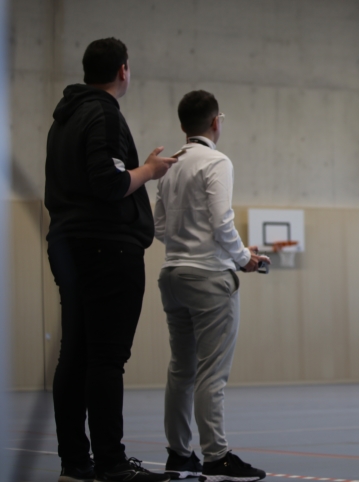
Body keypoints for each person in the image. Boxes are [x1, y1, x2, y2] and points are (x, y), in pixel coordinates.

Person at [45, 38, 177, 482]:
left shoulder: (65, 117)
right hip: (105, 246)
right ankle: (111, 464)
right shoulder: (103, 113)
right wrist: (150, 171)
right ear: (123, 70)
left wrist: (140, 169)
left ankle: (75, 463)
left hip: (69, 243)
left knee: (75, 355)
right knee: (105, 358)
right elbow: (109, 183)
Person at [154, 90, 269, 482]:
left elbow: (159, 227)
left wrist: (193, 244)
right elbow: (222, 221)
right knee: (211, 373)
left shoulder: (169, 165)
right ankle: (216, 457)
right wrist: (243, 257)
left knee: (181, 370)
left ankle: (178, 455)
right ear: (216, 122)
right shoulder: (217, 161)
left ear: (183, 125)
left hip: (172, 275)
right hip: (208, 280)